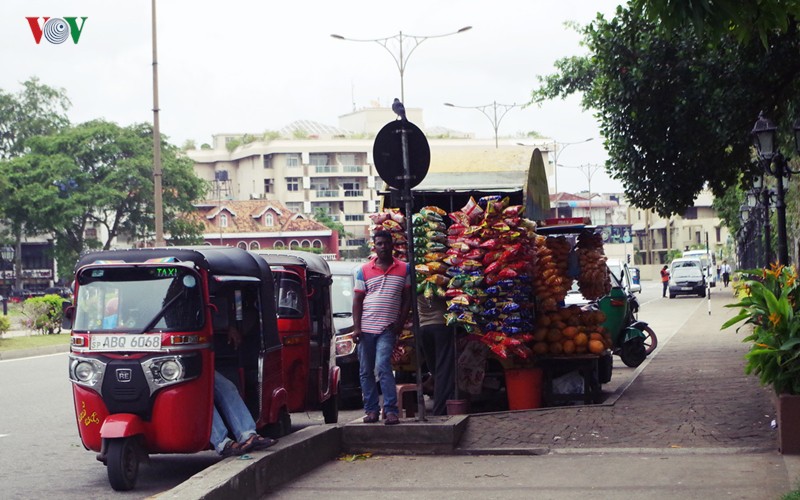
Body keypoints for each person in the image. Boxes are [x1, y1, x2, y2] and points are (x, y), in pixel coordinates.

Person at [353, 230, 411, 425]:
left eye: (386, 243)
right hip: (366, 328)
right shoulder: (363, 270)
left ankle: (391, 411)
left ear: (392, 245)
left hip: (387, 329)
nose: (383, 247)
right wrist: (356, 328)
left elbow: (407, 300)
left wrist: (400, 324)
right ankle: (371, 411)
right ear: (374, 246)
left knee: (383, 366)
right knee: (365, 371)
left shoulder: (404, 269)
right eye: (379, 244)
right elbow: (358, 301)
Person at [210, 323, 277, 457]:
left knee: (227, 387)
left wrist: (227, 327)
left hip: (197, 359)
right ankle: (222, 443)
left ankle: (247, 435)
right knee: (199, 396)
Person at [418, 294, 455, 416]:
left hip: (423, 326)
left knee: (435, 370)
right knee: (443, 371)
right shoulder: (439, 280)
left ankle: (440, 405)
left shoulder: (417, 282)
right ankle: (440, 411)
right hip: (441, 324)